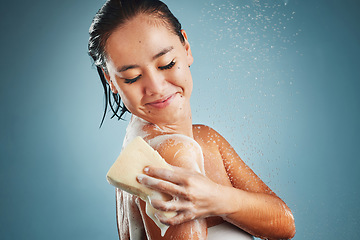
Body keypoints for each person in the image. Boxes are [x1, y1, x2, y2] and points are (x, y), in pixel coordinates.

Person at [88, 0, 296, 239]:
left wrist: (217, 199)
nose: (156, 87)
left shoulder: (205, 138)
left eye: (167, 64)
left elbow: (284, 224)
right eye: (133, 78)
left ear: (186, 47)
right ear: (111, 80)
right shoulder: (170, 153)